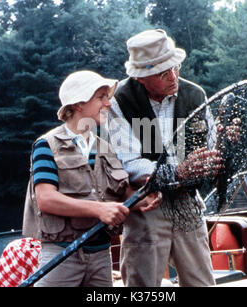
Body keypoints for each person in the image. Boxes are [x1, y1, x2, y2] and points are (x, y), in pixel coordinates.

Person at [22, 70, 161, 287]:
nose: (108, 104)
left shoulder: (105, 147)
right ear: (79, 104)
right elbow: (46, 199)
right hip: (61, 255)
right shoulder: (46, 145)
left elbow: (122, 193)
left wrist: (142, 200)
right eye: (101, 97)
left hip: (101, 256)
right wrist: (99, 209)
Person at [107, 29, 221, 287]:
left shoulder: (196, 95)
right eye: (163, 73)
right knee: (143, 287)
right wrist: (176, 173)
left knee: (201, 282)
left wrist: (221, 148)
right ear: (141, 77)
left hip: (187, 201)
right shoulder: (119, 101)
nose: (173, 77)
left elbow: (211, 147)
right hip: (146, 203)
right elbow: (129, 162)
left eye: (176, 67)